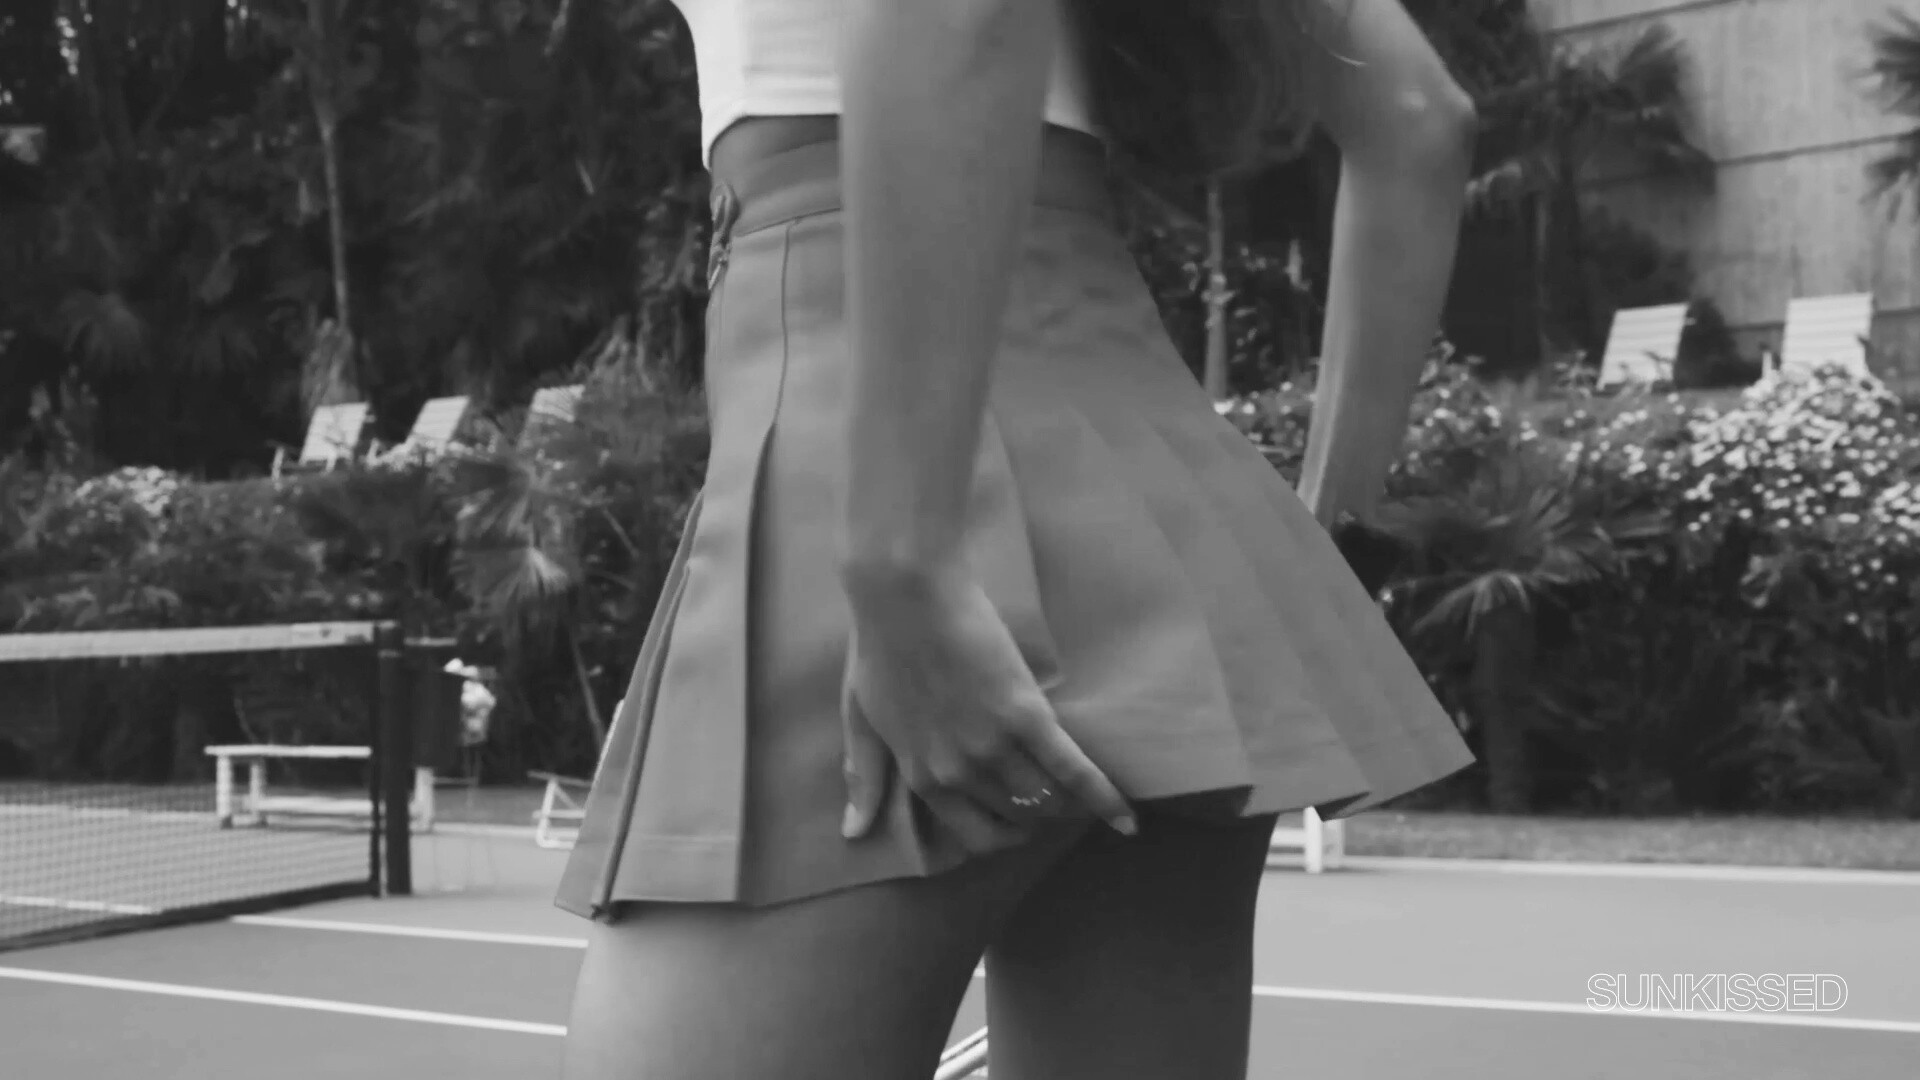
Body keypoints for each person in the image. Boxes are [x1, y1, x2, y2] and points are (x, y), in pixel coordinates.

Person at [556, 1, 1478, 1077]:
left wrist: (901, 561)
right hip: (1170, 531)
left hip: (870, 484)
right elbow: (1417, 118)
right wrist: (1322, 549)